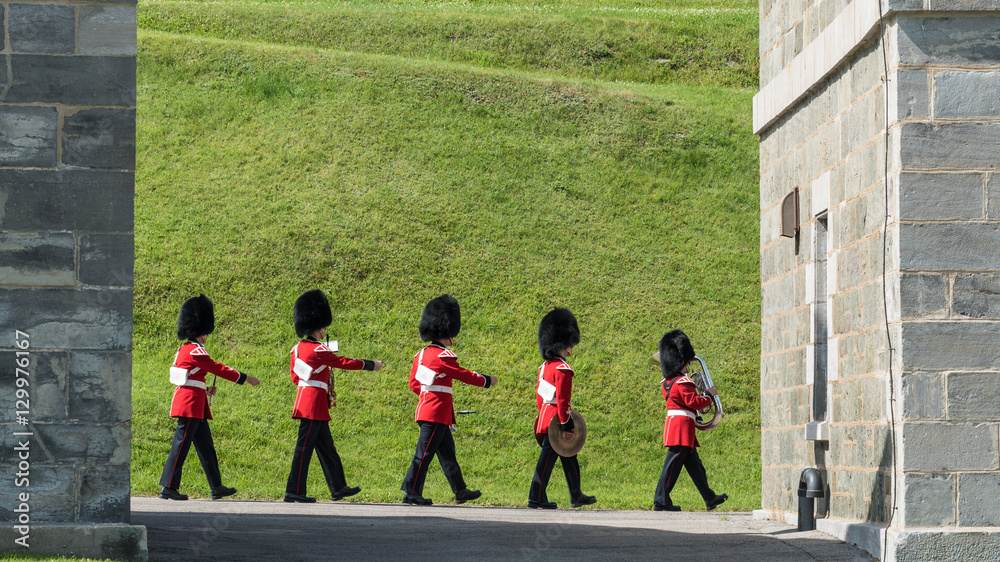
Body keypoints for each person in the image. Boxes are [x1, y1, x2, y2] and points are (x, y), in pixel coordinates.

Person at [284, 289, 384, 503]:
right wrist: (370, 365)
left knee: (327, 448)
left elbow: (295, 377)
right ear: (316, 327)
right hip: (312, 404)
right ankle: (294, 490)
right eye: (323, 327)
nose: (325, 330)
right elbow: (342, 362)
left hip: (308, 401)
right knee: (304, 450)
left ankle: (338, 487)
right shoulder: (318, 350)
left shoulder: (297, 349)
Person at [159, 294, 260, 501]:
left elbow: (188, 377)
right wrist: (245, 378)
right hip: (190, 404)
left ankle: (216, 486)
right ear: (199, 331)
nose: (207, 335)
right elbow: (218, 368)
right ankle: (168, 486)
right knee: (181, 446)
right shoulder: (196, 350)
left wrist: (204, 390)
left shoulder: (185, 349)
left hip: (195, 401)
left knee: (206, 446)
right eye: (205, 332)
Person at [400, 294, 497, 506]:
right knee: (423, 454)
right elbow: (464, 374)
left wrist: (428, 395)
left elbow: (414, 384)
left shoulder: (422, 355)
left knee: (447, 455)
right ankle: (411, 492)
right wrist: (486, 381)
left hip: (431, 411)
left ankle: (460, 490)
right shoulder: (443, 355)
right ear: (447, 332)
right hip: (436, 413)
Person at [527, 308, 596, 509]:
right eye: (568, 345)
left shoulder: (544, 368)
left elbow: (541, 398)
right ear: (560, 344)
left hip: (545, 417)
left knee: (569, 456)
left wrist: (545, 417)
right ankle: (536, 496)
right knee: (546, 461)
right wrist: (566, 425)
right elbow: (564, 401)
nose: (570, 349)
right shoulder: (563, 369)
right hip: (557, 420)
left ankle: (576, 494)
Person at [653, 329, 727, 512]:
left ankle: (710, 498)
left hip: (678, 427)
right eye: (686, 363)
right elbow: (694, 402)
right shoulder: (683, 382)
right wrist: (709, 394)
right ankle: (661, 500)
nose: (688, 366)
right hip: (682, 428)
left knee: (696, 467)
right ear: (680, 363)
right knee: (672, 467)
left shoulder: (667, 382)